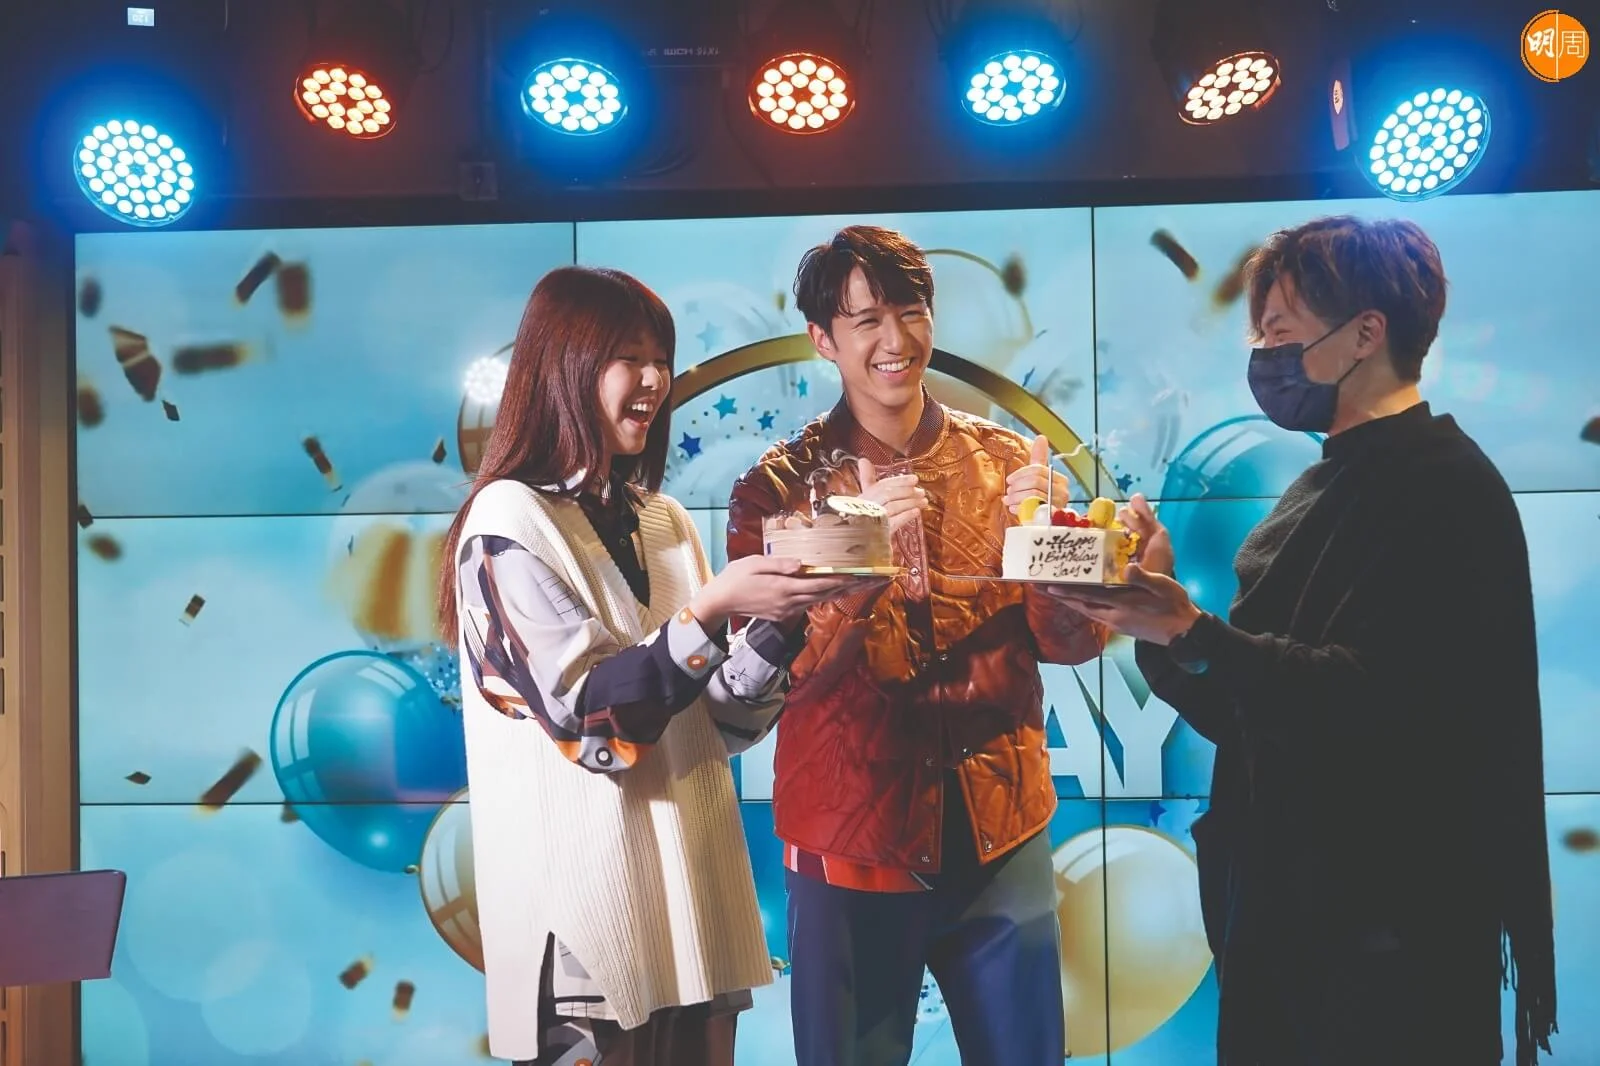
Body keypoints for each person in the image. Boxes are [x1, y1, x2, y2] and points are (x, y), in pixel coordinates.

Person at [1049, 217, 1557, 1065]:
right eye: (1258, 335)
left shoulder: (1443, 488)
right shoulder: (1325, 486)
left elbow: (1379, 705)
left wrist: (1193, 630)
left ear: (1365, 333)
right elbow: (1250, 712)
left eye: (1280, 331)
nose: (1264, 356)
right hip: (1287, 928)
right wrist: (1160, 626)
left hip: (1388, 945)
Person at [439, 266, 867, 1066]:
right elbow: (592, 726)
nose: (653, 380)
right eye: (627, 358)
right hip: (584, 927)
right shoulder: (508, 519)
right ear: (563, 366)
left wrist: (785, 619)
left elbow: (714, 724)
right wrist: (710, 610)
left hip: (694, 912)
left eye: (660, 359)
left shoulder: (663, 518)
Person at [726, 225, 1106, 1066]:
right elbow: (775, 678)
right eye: (865, 320)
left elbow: (1075, 645)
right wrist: (856, 574)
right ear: (823, 339)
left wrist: (1056, 555)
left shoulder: (1008, 461)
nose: (894, 339)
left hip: (1002, 829)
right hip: (850, 839)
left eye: (910, 311)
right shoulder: (777, 489)